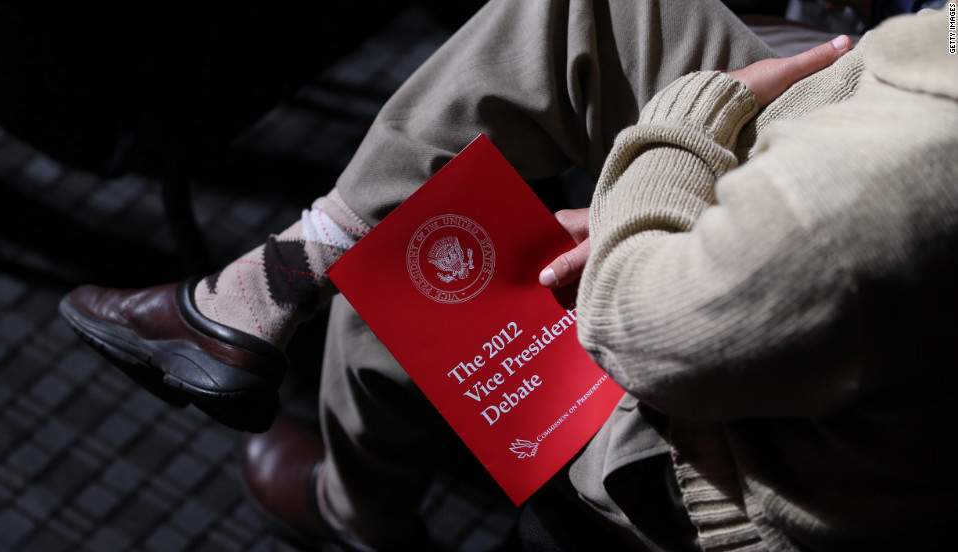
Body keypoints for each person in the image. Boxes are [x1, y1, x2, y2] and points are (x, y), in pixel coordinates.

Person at [58, 0, 957, 550]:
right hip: (852, 202)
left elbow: (634, 321)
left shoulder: (879, 193)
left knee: (423, 258)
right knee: (591, 3)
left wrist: (677, 140)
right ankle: (282, 274)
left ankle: (357, 518)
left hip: (736, 474)